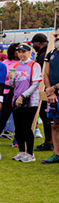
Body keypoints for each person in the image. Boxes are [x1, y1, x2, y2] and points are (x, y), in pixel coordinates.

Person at [10, 43, 41, 162]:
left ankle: (30, 153)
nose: (21, 54)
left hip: (30, 101)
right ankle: (21, 151)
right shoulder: (15, 65)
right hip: (17, 100)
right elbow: (13, 84)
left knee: (26, 127)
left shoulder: (34, 65)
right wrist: (11, 78)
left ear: (29, 52)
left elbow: (35, 84)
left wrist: (23, 96)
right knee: (18, 128)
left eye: (23, 52)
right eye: (19, 52)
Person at [41, 31, 59, 163]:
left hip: (55, 91)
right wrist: (50, 91)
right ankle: (56, 153)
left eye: (58, 36)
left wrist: (55, 88)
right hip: (53, 96)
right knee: (55, 125)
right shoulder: (51, 53)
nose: (56, 38)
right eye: (55, 36)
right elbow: (45, 74)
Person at [31, 34, 51, 152]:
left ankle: (49, 142)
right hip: (46, 90)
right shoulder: (45, 53)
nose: (33, 46)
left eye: (33, 43)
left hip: (45, 90)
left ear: (38, 43)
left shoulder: (44, 56)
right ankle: (49, 141)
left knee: (46, 117)